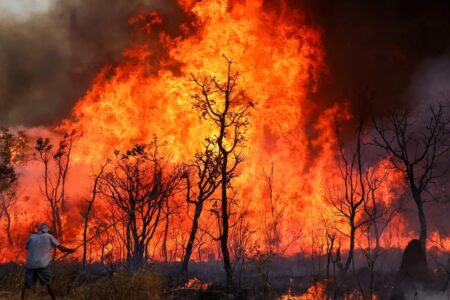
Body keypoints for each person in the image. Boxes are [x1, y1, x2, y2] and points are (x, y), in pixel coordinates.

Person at [22, 223, 75, 300]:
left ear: (39, 230)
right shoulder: (49, 236)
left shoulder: (32, 237)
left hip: (30, 264)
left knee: (26, 285)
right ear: (47, 231)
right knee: (48, 283)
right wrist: (70, 250)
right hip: (42, 264)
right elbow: (61, 248)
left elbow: (27, 247)